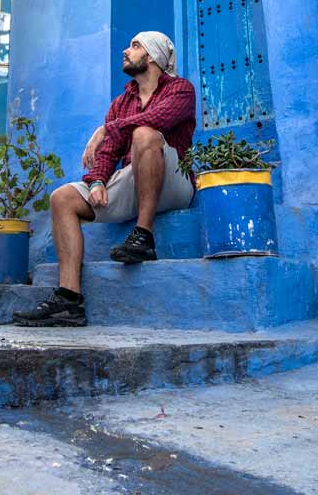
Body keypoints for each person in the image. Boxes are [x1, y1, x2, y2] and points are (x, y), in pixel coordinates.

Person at [12, 31, 196, 327]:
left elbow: (158, 120)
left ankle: (143, 236)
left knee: (145, 134)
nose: (126, 51)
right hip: (134, 180)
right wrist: (97, 180)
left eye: (135, 46)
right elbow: (109, 153)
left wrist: (106, 128)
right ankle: (69, 299)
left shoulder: (180, 90)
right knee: (62, 198)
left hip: (174, 181)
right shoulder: (122, 102)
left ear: (152, 56)